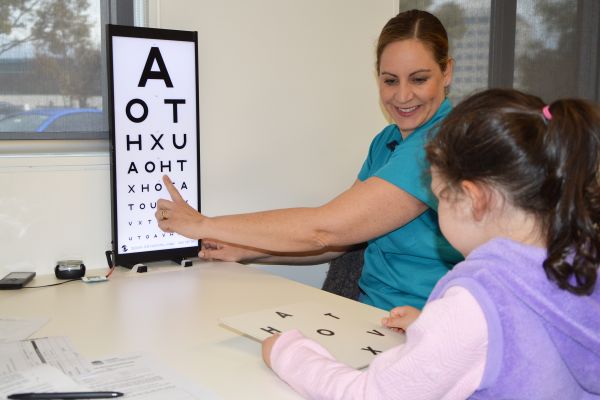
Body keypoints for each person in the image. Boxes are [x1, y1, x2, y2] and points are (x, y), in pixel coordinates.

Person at [260, 88, 600, 399]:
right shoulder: (578, 265)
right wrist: (434, 330)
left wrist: (288, 352)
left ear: (472, 199)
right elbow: (522, 336)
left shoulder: (472, 308)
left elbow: (368, 395)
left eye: (439, 197)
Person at [156, 9, 462, 311]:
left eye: (419, 79)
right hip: (370, 317)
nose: (403, 96)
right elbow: (337, 242)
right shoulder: (387, 141)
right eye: (390, 81)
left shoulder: (440, 146)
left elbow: (324, 230)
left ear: (446, 72)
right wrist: (249, 251)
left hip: (421, 328)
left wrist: (202, 224)